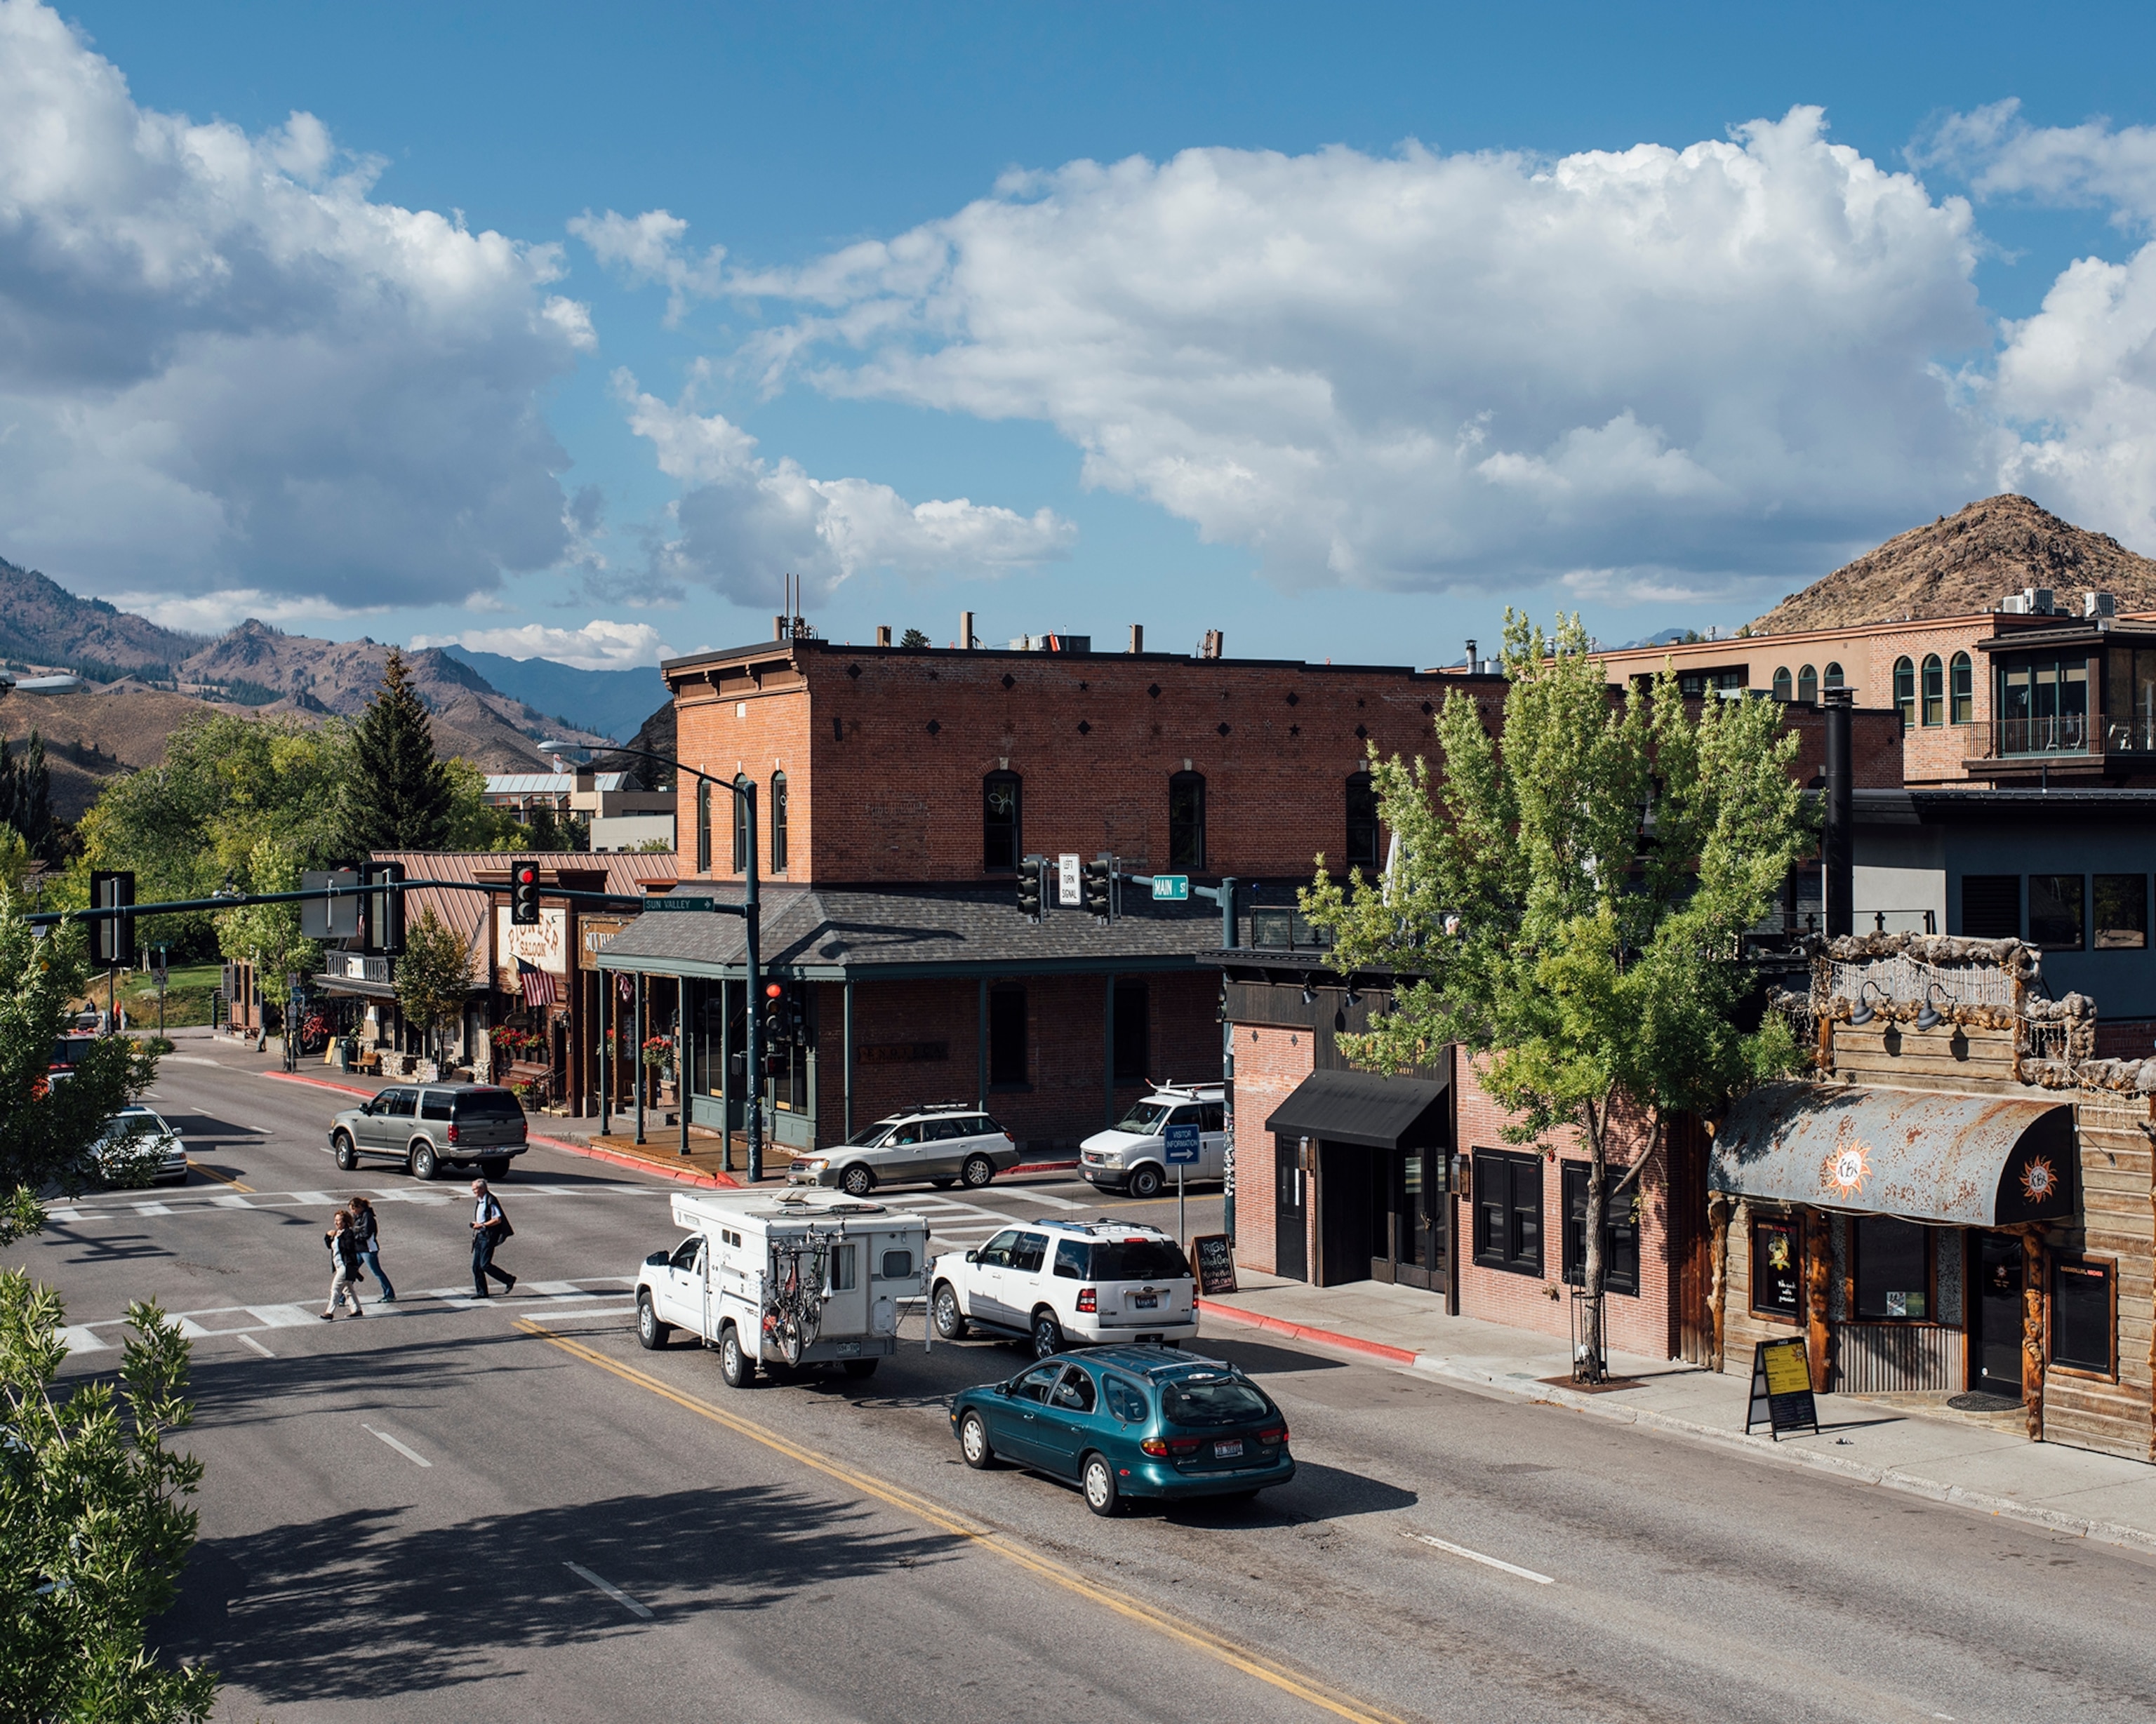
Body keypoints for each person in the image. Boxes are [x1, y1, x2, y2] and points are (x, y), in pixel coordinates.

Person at [470, 1178, 516, 1298]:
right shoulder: (481, 1200)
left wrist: (483, 1225)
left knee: (485, 1264)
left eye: (476, 1189)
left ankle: (508, 1279)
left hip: (488, 1237)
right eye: (473, 1189)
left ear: (483, 1189)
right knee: (476, 1267)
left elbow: (497, 1219)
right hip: (480, 1235)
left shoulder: (491, 1200)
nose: (474, 1192)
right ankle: (482, 1292)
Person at [347, 1196, 395, 1302]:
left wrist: (353, 1238)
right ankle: (341, 1297)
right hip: (358, 1250)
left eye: (353, 1209)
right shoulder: (357, 1217)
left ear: (359, 1207)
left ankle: (390, 1294)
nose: (352, 1212)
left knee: (377, 1272)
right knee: (350, 1272)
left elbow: (366, 1234)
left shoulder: (368, 1217)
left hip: (368, 1250)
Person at [321, 1210, 365, 1320]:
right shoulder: (338, 1233)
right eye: (335, 1220)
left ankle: (329, 1312)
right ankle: (357, 1310)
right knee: (348, 1290)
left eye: (338, 1220)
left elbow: (348, 1247)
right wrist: (328, 1236)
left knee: (335, 1289)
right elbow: (330, 1246)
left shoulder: (348, 1233)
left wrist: (339, 1237)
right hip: (340, 1266)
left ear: (345, 1222)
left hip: (346, 1266)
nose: (336, 1223)